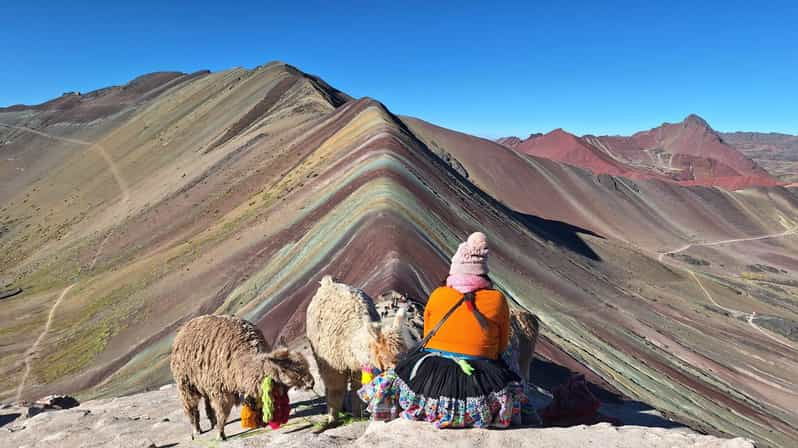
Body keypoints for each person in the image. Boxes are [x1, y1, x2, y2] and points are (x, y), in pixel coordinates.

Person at [359, 232, 526, 428]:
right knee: (511, 361)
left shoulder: (438, 295)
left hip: (430, 384)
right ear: (483, 273)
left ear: (454, 271)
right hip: (481, 382)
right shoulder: (497, 299)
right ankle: (525, 416)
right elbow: (501, 345)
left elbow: (428, 340)